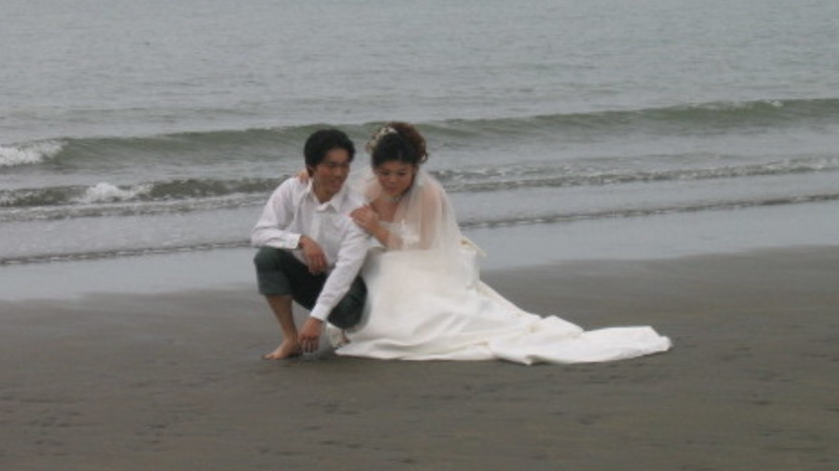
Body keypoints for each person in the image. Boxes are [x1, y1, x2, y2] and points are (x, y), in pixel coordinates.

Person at [338, 122, 672, 364]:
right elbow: (339, 212)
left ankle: (389, 328)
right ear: (374, 168)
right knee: (374, 266)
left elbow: (421, 245)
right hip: (390, 252)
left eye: (401, 173)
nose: (392, 180)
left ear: (414, 169)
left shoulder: (428, 194)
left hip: (425, 257)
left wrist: (377, 229)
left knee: (396, 282)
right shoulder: (368, 188)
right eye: (385, 173)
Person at [250, 128, 370, 360]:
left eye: (344, 166)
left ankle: (337, 325)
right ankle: (290, 339)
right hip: (308, 276)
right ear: (311, 166)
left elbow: (346, 271)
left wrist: (316, 319)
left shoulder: (357, 208)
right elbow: (259, 233)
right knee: (267, 257)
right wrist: (301, 241)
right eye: (331, 166)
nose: (339, 173)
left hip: (346, 292)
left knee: (346, 314)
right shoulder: (292, 188)